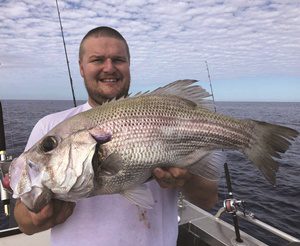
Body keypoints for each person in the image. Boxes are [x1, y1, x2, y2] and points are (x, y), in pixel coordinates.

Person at [14, 26, 218, 245]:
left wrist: (187, 178)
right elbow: (23, 222)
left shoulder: (168, 116)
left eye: (118, 59)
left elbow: (208, 200)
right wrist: (38, 217)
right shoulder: (50, 126)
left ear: (129, 65)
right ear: (82, 68)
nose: (109, 68)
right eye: (97, 60)